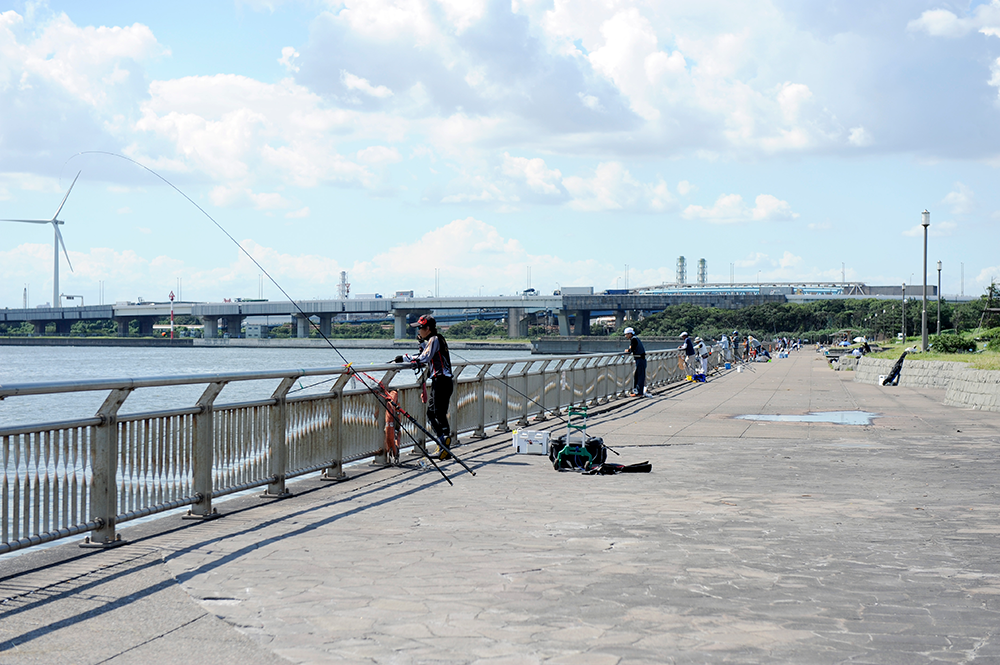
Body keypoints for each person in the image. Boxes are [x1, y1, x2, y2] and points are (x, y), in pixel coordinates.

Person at [403, 315, 454, 459]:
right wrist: (421, 343)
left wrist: (404, 358)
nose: (418, 331)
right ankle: (444, 444)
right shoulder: (436, 339)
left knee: (435, 414)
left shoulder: (435, 339)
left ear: (428, 329)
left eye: (420, 328)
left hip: (441, 380)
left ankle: (444, 442)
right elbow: (425, 353)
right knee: (436, 414)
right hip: (444, 381)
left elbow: (424, 358)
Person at [623, 327, 647, 396]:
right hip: (640, 359)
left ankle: (638, 392)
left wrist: (628, 350)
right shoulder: (635, 338)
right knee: (638, 375)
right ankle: (638, 391)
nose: (626, 336)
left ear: (630, 334)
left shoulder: (633, 339)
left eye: (626, 334)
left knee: (639, 376)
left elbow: (632, 348)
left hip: (640, 359)